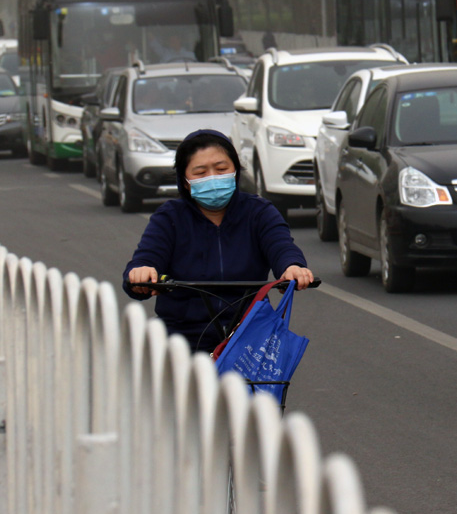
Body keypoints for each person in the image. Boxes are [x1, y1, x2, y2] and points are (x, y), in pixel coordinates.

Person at [123, 129, 314, 352]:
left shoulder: (259, 212)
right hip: (181, 340)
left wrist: (292, 267)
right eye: (200, 172)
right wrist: (141, 273)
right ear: (185, 181)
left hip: (249, 337)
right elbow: (146, 258)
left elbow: (281, 246)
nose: (212, 178)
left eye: (221, 169)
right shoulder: (169, 217)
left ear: (235, 171)